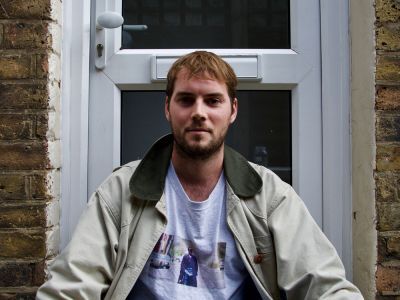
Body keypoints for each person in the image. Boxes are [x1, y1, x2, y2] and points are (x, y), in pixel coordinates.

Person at [36, 51, 363, 299]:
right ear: (168, 108)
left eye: (213, 101)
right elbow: (71, 286)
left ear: (232, 110)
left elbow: (324, 285)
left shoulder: (269, 195)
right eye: (186, 100)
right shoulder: (122, 190)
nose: (199, 113)